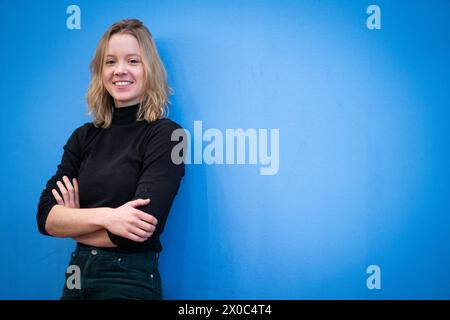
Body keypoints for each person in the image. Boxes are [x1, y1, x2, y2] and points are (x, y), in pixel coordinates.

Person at [36, 18, 185, 300]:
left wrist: (74, 223)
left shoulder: (167, 136)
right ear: (100, 71)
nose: (120, 70)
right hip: (76, 275)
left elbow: (137, 230)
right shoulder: (83, 137)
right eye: (110, 61)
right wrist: (109, 216)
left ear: (149, 69)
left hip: (129, 278)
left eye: (133, 61)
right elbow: (45, 218)